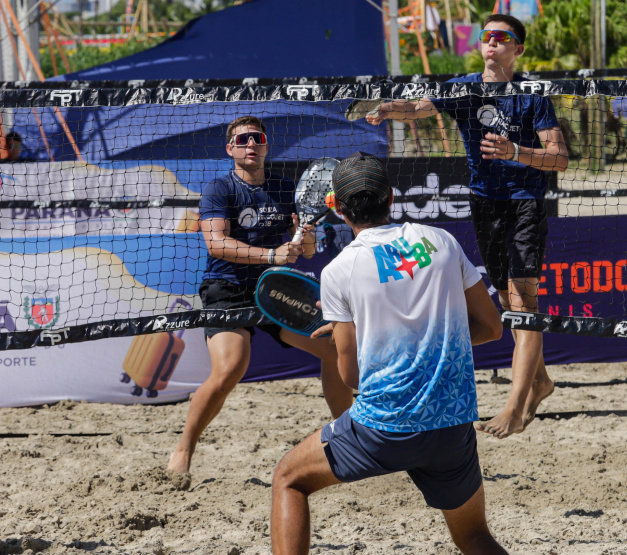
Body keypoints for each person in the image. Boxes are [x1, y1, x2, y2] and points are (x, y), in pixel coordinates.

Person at [271, 153, 506, 555]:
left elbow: (353, 378)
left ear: (336, 207)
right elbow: (491, 327)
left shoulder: (339, 271)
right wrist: (425, 338)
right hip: (453, 423)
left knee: (288, 479)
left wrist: (366, 339)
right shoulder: (441, 241)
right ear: (392, 197)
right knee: (474, 537)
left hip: (386, 426)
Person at [367, 13, 569, 439]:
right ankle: (541, 382)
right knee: (508, 301)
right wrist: (391, 110)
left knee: (522, 301)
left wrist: (516, 151)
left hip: (524, 204)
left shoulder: (532, 95)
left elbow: (559, 158)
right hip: (484, 204)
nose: (491, 42)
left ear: (518, 48)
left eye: (502, 37)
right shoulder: (464, 87)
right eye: (486, 36)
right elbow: (418, 109)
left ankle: (514, 407)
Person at [167, 116, 354, 474]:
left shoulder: (285, 189)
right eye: (242, 140)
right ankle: (185, 446)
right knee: (230, 369)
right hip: (228, 288)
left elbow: (310, 252)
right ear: (230, 149)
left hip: (276, 286)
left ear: (266, 146)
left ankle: (348, 437)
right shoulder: (220, 189)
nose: (250, 144)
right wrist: (271, 254)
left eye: (257, 138)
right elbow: (216, 244)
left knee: (334, 349)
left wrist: (306, 232)